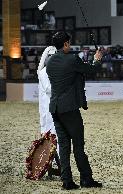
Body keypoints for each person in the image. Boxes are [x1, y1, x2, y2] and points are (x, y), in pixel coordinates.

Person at [46, 32, 103, 190]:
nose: (69, 46)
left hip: (55, 108)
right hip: (69, 108)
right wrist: (97, 59)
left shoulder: (50, 61)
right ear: (65, 44)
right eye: (69, 43)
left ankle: (67, 181)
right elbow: (90, 69)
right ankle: (86, 178)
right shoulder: (72, 59)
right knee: (78, 145)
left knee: (64, 146)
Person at [37, 46, 60, 177]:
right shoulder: (44, 72)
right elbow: (48, 89)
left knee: (56, 136)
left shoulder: (52, 71)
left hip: (54, 108)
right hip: (48, 110)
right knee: (50, 136)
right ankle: (50, 165)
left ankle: (55, 165)